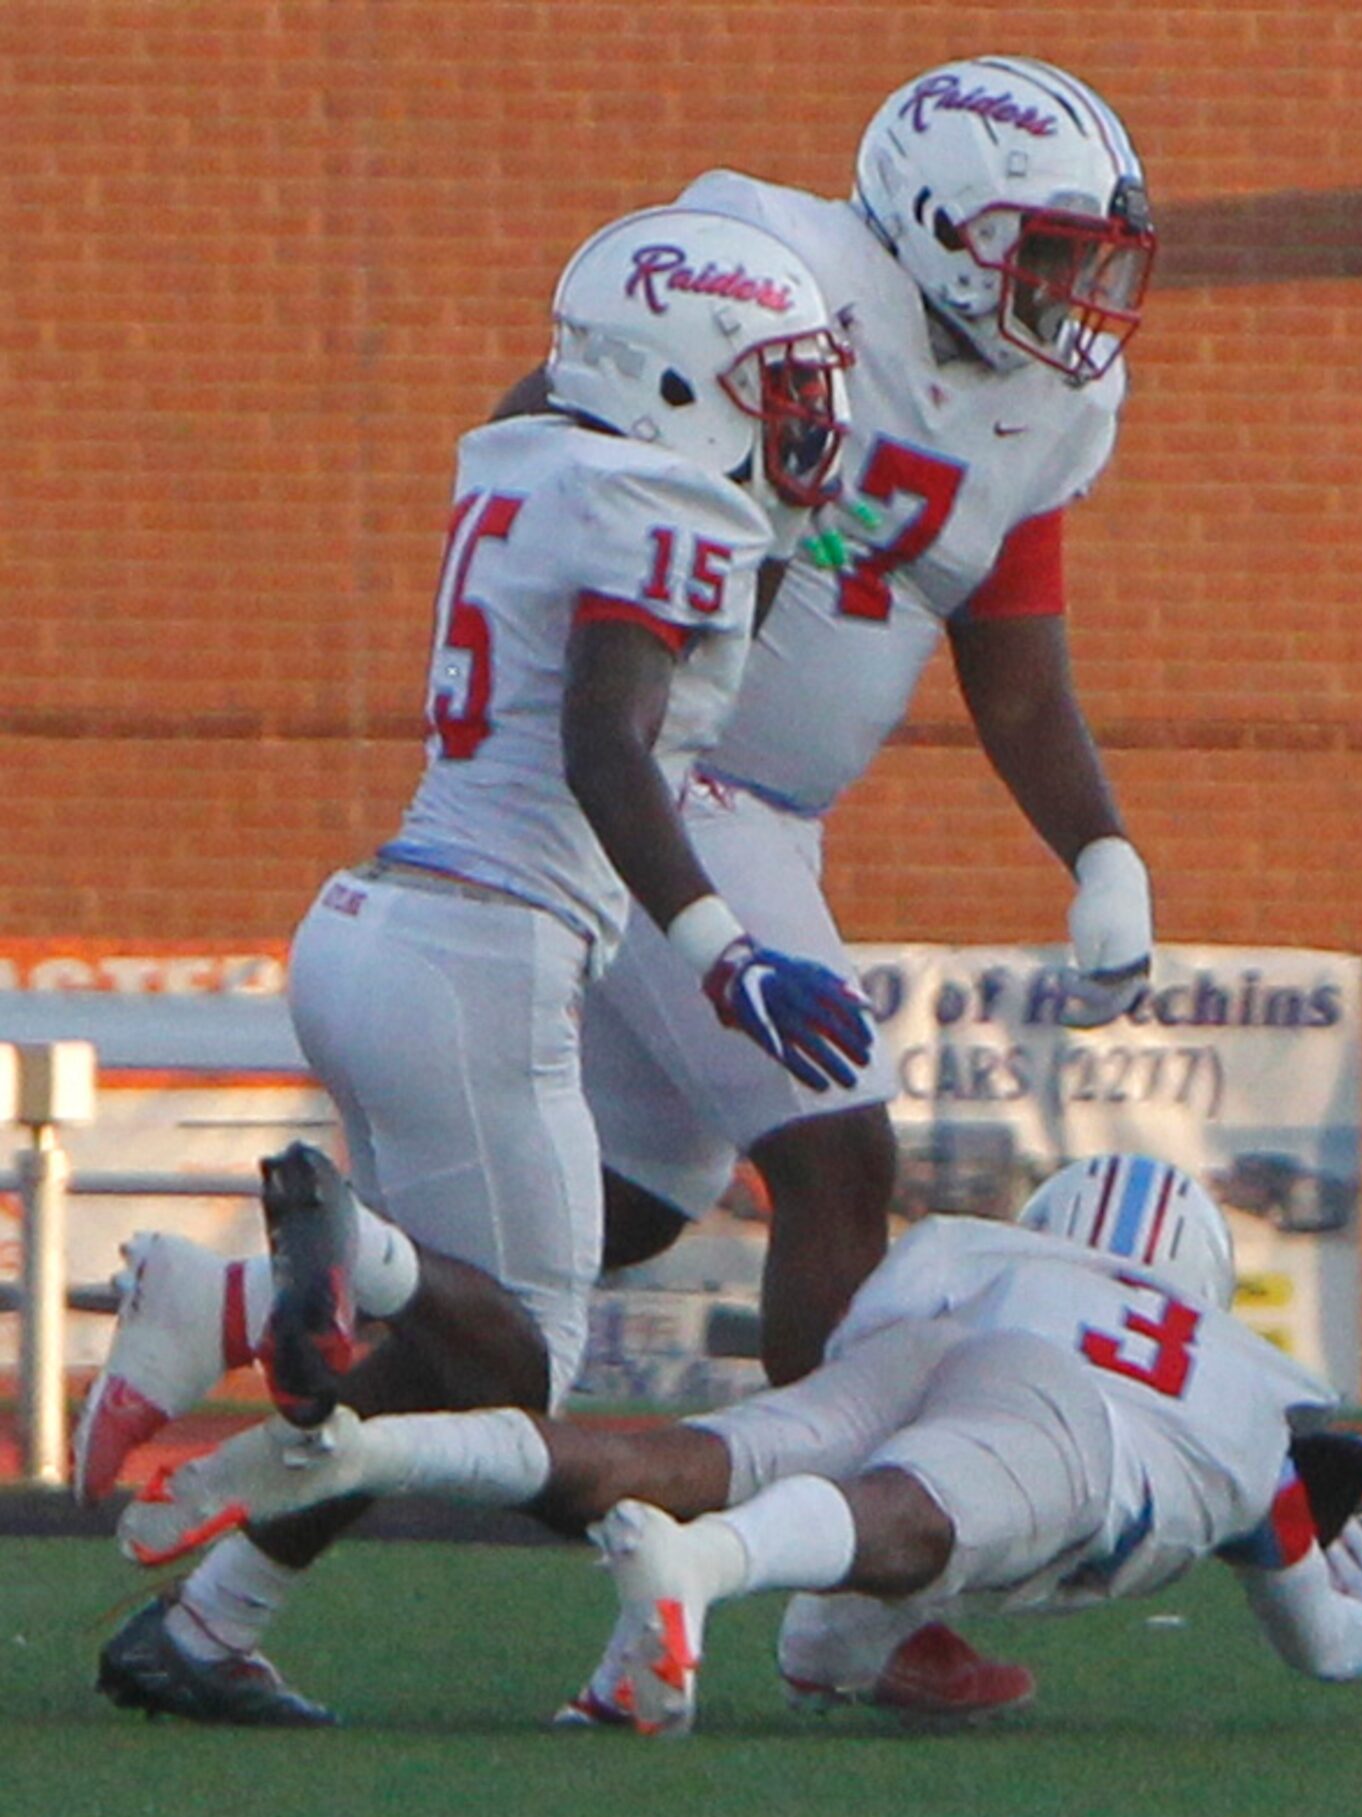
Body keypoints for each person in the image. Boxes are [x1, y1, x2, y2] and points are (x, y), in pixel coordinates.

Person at [87, 204, 872, 1726]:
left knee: (444, 1357)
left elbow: (618, 466)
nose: (800, 418)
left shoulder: (527, 449)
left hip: (380, 924)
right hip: (481, 957)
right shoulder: (667, 501)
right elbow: (607, 739)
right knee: (518, 1368)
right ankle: (279, 1280)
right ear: (674, 381)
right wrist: (723, 953)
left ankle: (207, 1612)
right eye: (771, 383)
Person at [567, 54, 1161, 1394]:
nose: (1079, 289)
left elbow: (1014, 674)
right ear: (949, 224)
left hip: (767, 813)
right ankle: (815, 1534)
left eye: (1094, 254)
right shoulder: (784, 276)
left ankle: (248, 1302)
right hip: (663, 776)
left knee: (622, 1200)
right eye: (1052, 248)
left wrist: (1102, 851)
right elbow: (558, 421)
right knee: (838, 1155)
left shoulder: (1039, 408)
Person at [117, 1155, 1362, 1736]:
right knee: (905, 1513)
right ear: (1193, 1279)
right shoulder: (1245, 1390)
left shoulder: (986, 1247)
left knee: (684, 1455)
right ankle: (696, 1570)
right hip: (1068, 1417)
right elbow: (1329, 1646)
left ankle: (366, 1448)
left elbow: (825, 1636)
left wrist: (894, 1660)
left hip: (933, 1342)